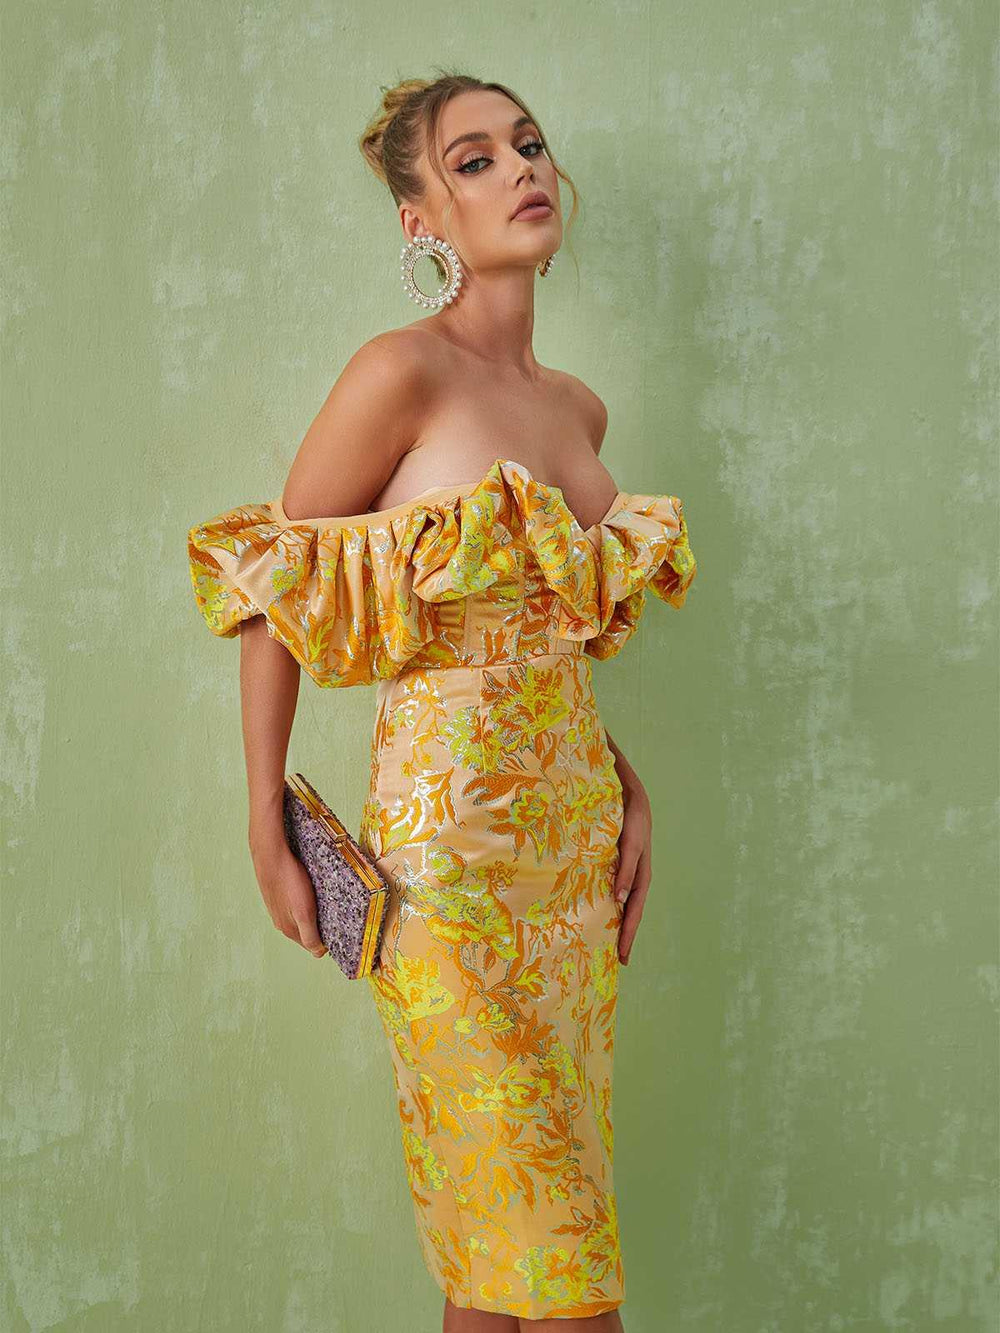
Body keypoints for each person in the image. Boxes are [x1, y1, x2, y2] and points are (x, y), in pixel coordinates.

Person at [187, 72, 697, 1333]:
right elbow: (272, 584)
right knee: (564, 1275)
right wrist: (262, 812)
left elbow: (542, 643)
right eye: (473, 160)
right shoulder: (398, 372)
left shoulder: (577, 410)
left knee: (495, 1270)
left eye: (527, 144)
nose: (518, 168)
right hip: (448, 865)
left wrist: (621, 774)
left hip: (573, 856)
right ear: (420, 220)